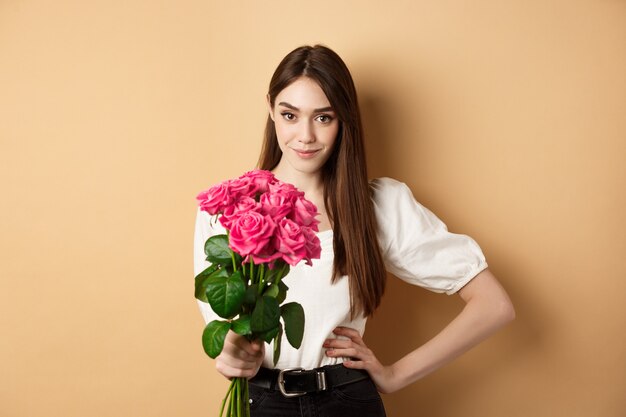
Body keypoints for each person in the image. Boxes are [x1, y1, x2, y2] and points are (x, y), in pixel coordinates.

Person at [194, 44, 515, 416]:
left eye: (324, 118)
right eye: (290, 115)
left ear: (344, 119)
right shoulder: (230, 207)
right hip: (260, 401)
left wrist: (395, 375)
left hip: (346, 401)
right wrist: (230, 357)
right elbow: (222, 328)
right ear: (270, 109)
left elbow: (494, 305)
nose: (305, 136)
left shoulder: (378, 206)